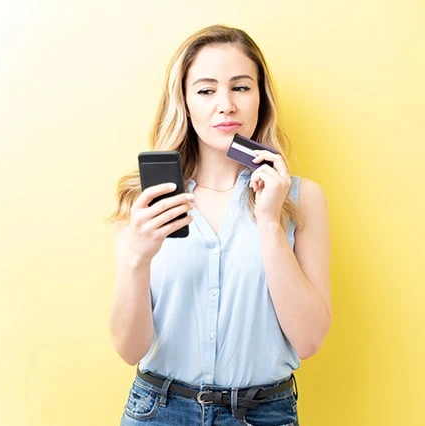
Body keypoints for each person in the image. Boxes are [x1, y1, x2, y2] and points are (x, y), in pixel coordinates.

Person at [108, 24, 331, 426]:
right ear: (185, 102)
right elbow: (129, 348)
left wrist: (268, 223)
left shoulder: (301, 199)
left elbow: (309, 339)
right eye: (207, 90)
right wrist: (137, 260)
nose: (225, 104)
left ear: (261, 98)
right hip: (159, 411)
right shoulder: (143, 199)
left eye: (241, 87)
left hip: (263, 414)